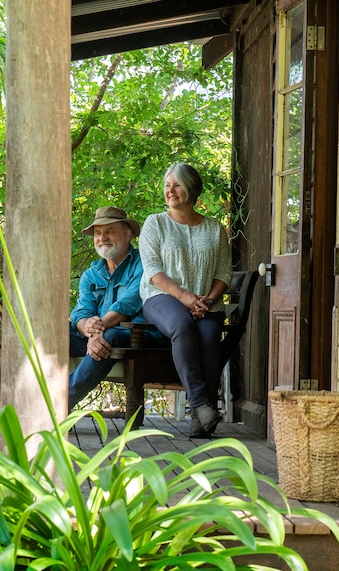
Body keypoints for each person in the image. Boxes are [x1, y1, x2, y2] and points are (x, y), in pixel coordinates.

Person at [139, 163, 232, 438]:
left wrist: (208, 299)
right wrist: (185, 298)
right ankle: (203, 405)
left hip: (206, 302)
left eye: (177, 185)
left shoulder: (214, 229)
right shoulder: (155, 223)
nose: (171, 191)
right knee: (182, 325)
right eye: (168, 185)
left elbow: (223, 272)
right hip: (162, 298)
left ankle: (199, 422)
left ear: (191, 188)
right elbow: (153, 271)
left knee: (209, 335)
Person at [68, 206, 144, 410]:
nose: (102, 237)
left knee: (109, 337)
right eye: (98, 233)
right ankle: (36, 396)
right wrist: (88, 329)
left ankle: (59, 403)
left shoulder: (143, 263)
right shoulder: (91, 274)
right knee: (55, 334)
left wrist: (97, 329)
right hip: (99, 334)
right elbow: (82, 311)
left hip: (134, 336)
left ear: (128, 234)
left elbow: (129, 303)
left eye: (110, 231)